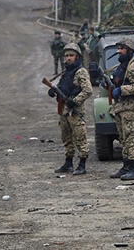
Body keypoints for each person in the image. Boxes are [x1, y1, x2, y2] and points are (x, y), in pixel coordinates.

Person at [47, 43, 93, 175]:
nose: (68, 58)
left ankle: (82, 164)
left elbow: (88, 90)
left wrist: (75, 101)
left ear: (77, 57)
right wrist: (53, 91)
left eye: (71, 55)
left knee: (80, 138)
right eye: (66, 55)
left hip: (75, 112)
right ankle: (68, 163)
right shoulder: (66, 72)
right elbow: (61, 88)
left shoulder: (81, 72)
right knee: (66, 138)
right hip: (64, 111)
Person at [107, 37, 134, 180]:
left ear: (129, 50)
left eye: (122, 49)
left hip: (129, 107)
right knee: (123, 139)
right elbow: (117, 82)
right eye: (118, 49)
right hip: (120, 107)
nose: (119, 51)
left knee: (129, 138)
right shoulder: (122, 67)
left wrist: (121, 90)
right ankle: (126, 166)